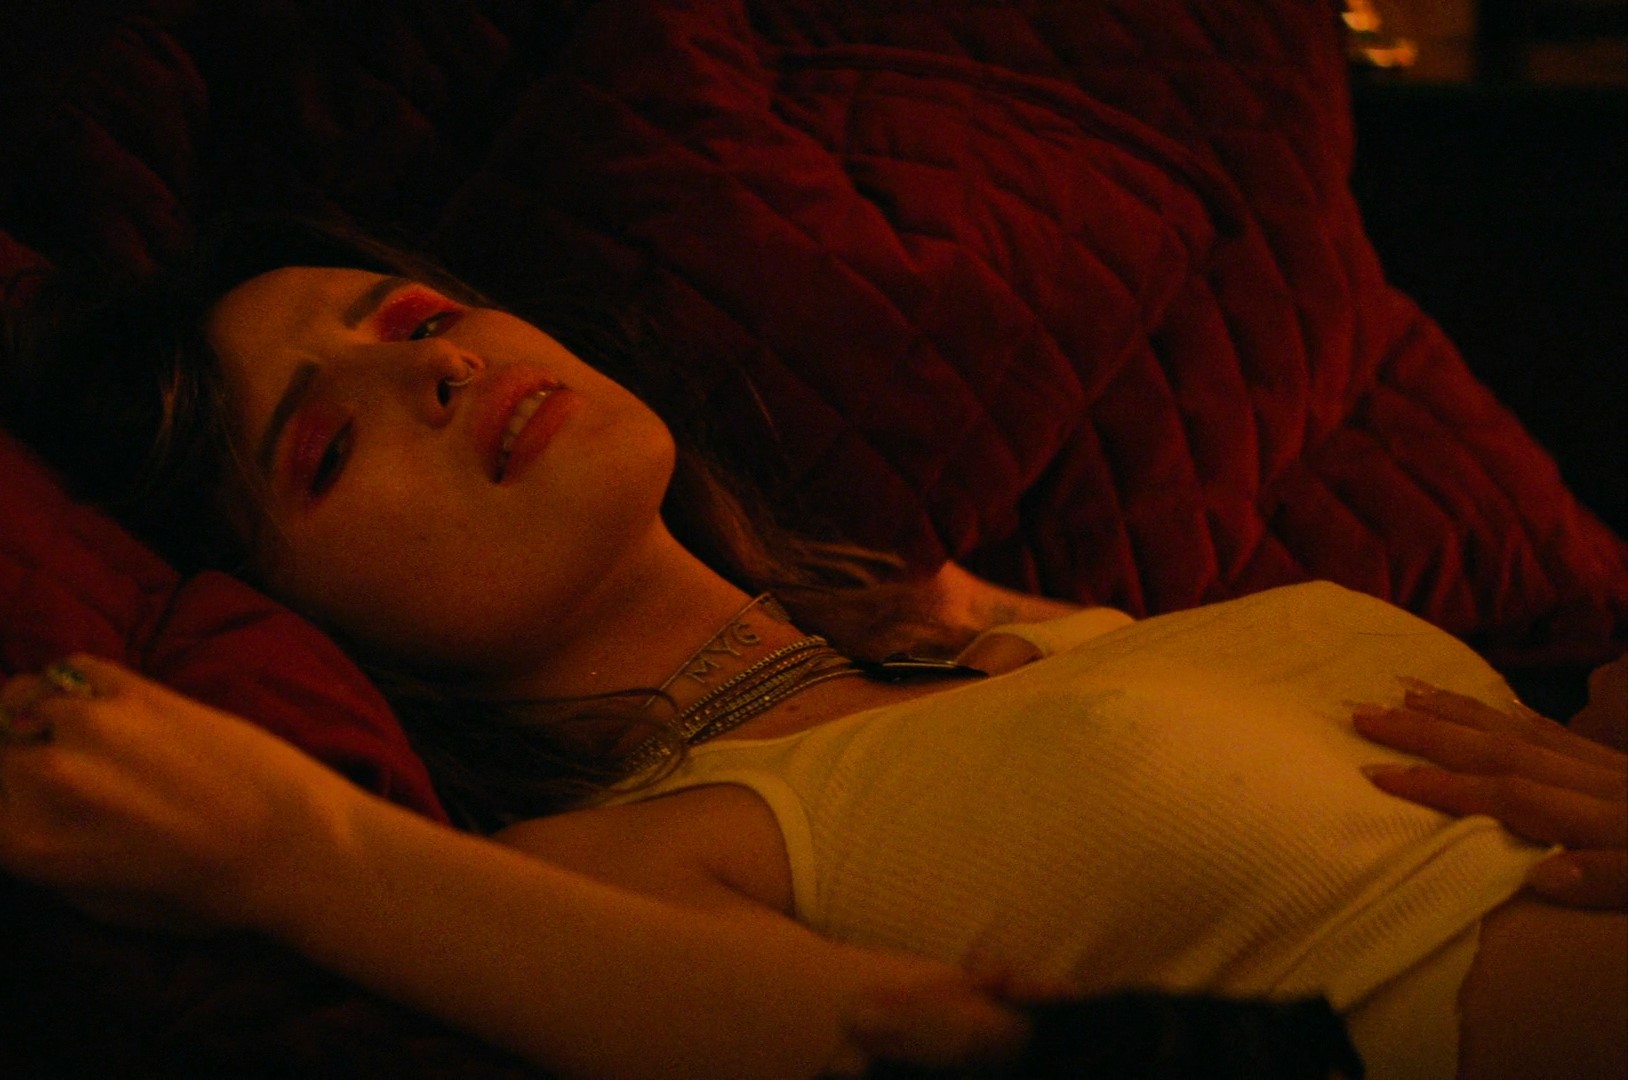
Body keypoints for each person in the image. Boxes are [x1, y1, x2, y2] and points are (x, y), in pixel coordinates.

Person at [1, 219, 1623, 1079]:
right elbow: (880, 1054)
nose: (436, 371)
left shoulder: (995, 629)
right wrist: (289, 851)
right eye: (326, 445)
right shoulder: (626, 858)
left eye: (417, 320)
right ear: (308, 620)